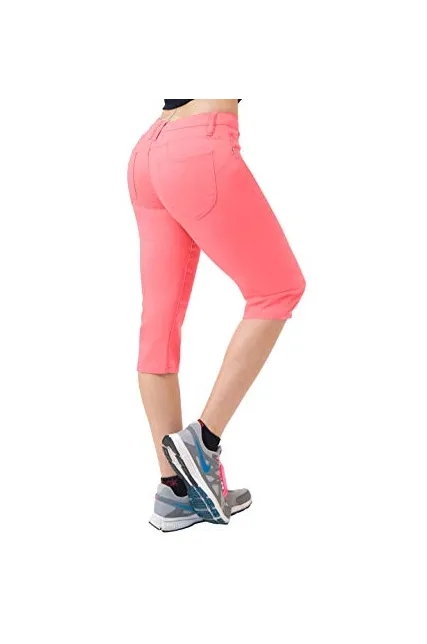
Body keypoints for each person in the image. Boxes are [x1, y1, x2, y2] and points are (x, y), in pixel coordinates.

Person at [127, 96, 305, 531]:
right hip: (198, 145)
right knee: (278, 289)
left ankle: (175, 493)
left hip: (148, 151)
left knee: (159, 327)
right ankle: (202, 443)